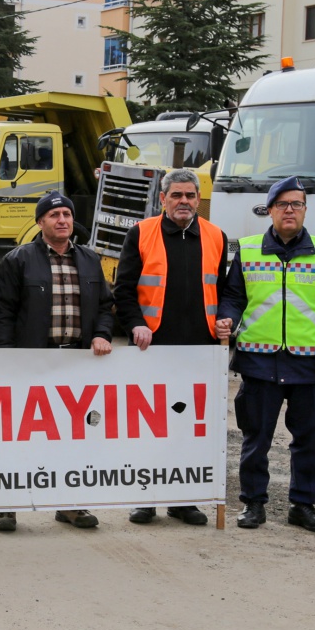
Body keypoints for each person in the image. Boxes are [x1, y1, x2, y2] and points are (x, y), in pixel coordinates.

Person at [217, 176, 315, 533]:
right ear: (270, 210)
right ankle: (253, 504)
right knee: (255, 437)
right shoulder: (246, 250)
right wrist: (226, 317)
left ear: (305, 210)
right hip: (259, 361)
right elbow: (233, 297)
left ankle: (303, 506)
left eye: (297, 204)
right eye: (282, 204)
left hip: (309, 365)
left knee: (308, 441)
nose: (290, 210)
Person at [0, 190, 114, 533]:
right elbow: (3, 310)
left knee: (72, 437)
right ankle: (7, 506)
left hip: (76, 362)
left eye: (67, 215)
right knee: (19, 436)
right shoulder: (19, 260)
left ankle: (71, 506)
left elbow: (105, 306)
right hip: (31, 360)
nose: (62, 220)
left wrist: (101, 334)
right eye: (54, 215)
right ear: (40, 222)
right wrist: (5, 354)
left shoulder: (90, 260)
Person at [113, 168, 225, 528]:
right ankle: (146, 498)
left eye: (190, 196)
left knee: (191, 429)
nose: (184, 202)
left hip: (200, 348)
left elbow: (228, 291)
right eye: (176, 195)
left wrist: (226, 320)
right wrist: (135, 324)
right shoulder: (141, 233)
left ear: (198, 200)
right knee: (149, 426)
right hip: (153, 347)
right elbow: (124, 289)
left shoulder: (216, 236)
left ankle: (184, 500)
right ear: (162, 199)